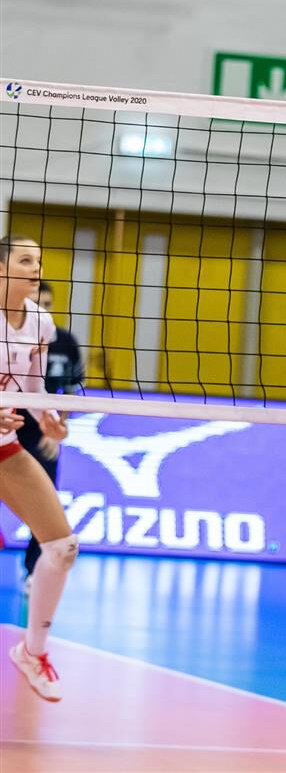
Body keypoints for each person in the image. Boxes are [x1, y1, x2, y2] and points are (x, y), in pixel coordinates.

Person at [1, 236, 77, 703]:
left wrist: (47, 416)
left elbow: (32, 388)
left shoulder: (40, 322)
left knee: (62, 548)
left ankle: (33, 652)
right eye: (26, 259)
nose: (36, 268)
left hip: (4, 449)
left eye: (39, 260)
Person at [17, 280, 84, 585]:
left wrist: (55, 426)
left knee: (45, 506)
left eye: (46, 305)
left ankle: (33, 571)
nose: (41, 309)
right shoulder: (10, 333)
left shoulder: (63, 341)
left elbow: (68, 390)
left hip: (42, 427)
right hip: (9, 421)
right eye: (36, 302)